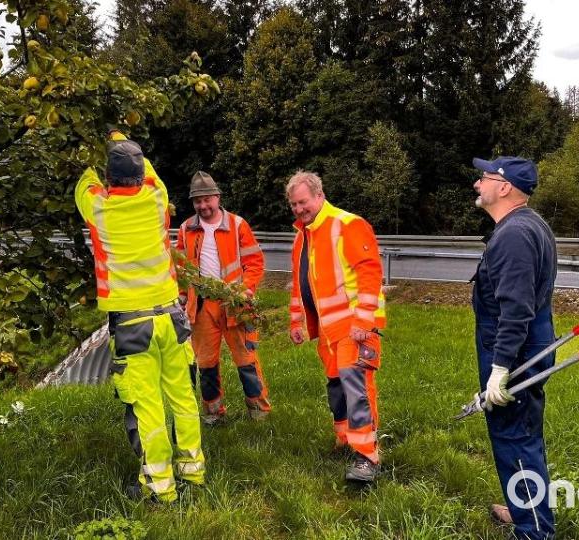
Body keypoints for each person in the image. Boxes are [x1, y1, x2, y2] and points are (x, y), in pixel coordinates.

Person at [74, 131, 204, 503]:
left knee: (147, 405)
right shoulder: (156, 198)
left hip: (132, 323)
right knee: (182, 397)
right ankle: (193, 473)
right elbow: (152, 173)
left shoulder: (99, 207)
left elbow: (84, 181)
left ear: (111, 178)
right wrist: (121, 139)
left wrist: (89, 151)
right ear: (140, 173)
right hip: (172, 316)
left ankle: (160, 487)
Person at [470, 156, 557, 539]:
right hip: (525, 345)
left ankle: (534, 529)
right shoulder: (526, 225)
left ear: (504, 187)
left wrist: (500, 368)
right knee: (523, 433)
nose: (477, 184)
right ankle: (524, 503)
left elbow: (516, 309)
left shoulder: (514, 235)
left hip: (515, 352)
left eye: (484, 178)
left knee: (514, 436)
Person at [286, 170, 386, 484]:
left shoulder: (347, 224)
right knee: (337, 390)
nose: (299, 209)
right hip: (328, 330)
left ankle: (367, 456)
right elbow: (299, 284)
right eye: (293, 205)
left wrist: (363, 320)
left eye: (303, 202)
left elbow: (370, 273)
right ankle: (345, 441)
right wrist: (296, 320)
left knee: (356, 389)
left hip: (352, 326)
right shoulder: (303, 236)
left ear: (319, 195)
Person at [176, 171, 271, 425]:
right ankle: (213, 414)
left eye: (207, 200)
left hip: (235, 305)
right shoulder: (186, 228)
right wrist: (183, 296)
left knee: (246, 360)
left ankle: (259, 412)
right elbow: (182, 269)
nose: (203, 206)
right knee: (206, 363)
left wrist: (245, 290)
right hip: (202, 306)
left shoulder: (237, 225)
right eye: (198, 201)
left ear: (217, 197)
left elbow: (254, 262)